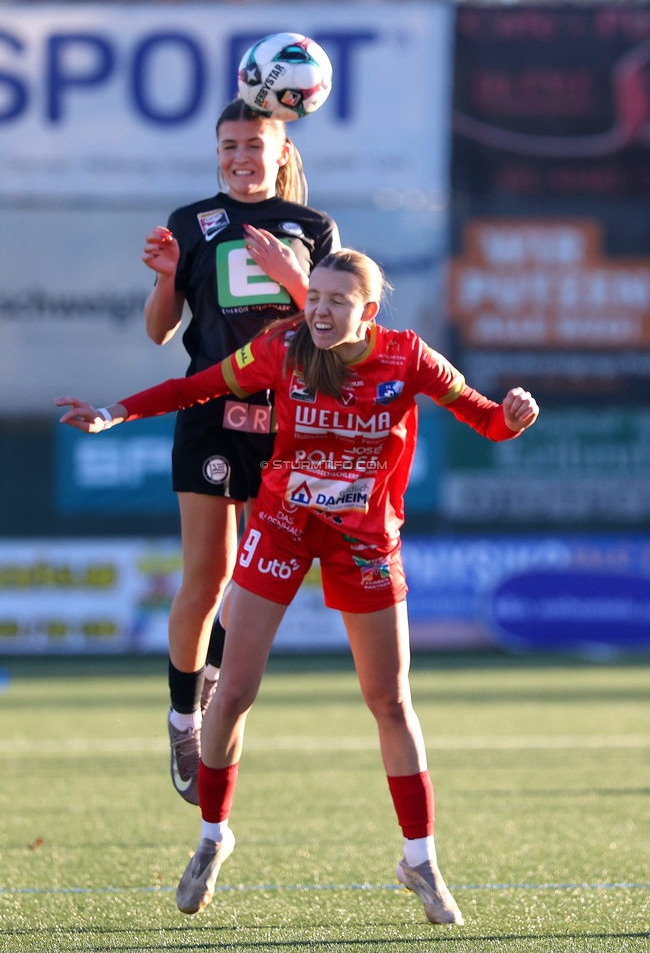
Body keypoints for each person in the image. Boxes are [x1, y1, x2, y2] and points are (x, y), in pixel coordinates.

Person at [56, 249, 538, 926]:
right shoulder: (280, 348)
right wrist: (113, 413)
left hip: (364, 540)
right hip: (281, 525)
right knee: (233, 692)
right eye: (314, 295)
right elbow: (195, 388)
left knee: (391, 701)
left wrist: (514, 414)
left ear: (368, 312)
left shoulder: (408, 357)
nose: (319, 308)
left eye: (338, 300)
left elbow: (487, 419)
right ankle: (212, 838)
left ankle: (420, 860)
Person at [141, 98, 340, 806]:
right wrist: (167, 277)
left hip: (284, 419)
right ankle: (181, 717)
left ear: (282, 150)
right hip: (208, 412)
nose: (240, 157)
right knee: (207, 574)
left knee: (254, 582)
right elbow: (160, 334)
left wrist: (293, 277)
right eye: (229, 145)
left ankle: (219, 680)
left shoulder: (314, 229)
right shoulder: (193, 221)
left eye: (254, 144)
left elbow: (332, 332)